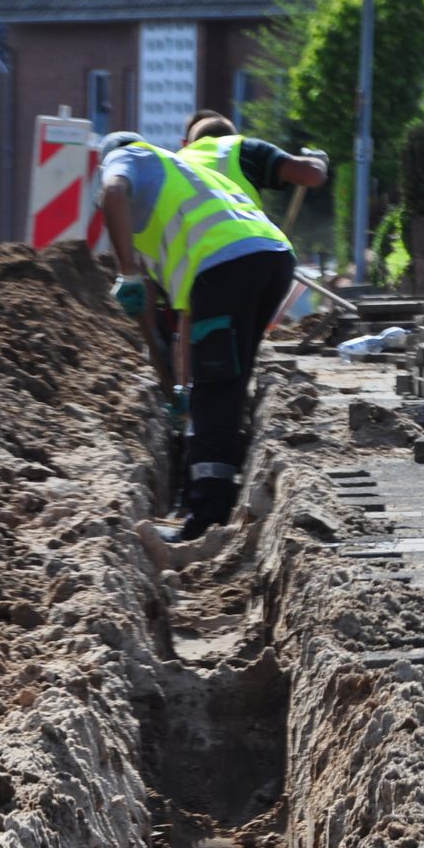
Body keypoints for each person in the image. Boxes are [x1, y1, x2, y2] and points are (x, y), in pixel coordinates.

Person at [98, 129, 297, 542]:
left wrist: (126, 272)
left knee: (217, 388)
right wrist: (179, 390)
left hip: (227, 265)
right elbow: (168, 318)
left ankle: (206, 518)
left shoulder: (132, 155)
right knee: (225, 381)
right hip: (270, 259)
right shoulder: (182, 184)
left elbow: (112, 195)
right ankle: (225, 486)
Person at [179, 110, 328, 219]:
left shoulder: (174, 163)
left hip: (188, 257)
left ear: (187, 143)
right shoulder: (244, 149)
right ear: (233, 137)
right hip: (246, 249)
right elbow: (312, 175)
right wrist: (317, 161)